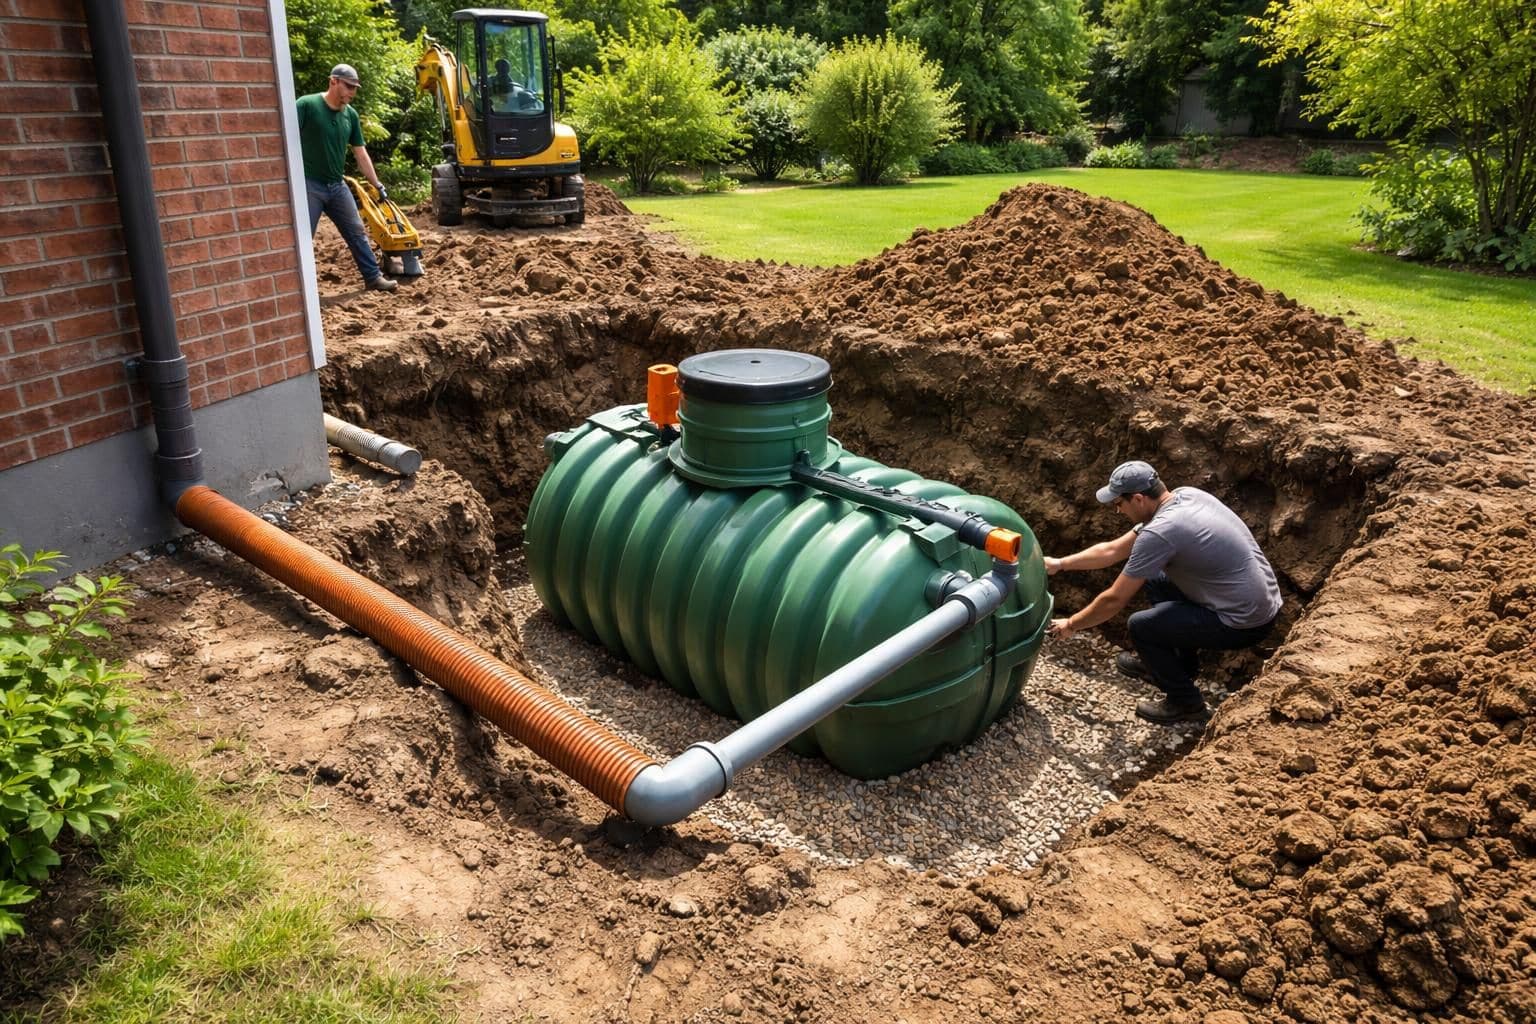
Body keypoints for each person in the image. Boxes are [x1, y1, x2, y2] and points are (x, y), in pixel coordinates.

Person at [1045, 461, 1282, 724]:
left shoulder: (1161, 532)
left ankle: (1186, 703)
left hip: (1245, 622)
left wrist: (1071, 624)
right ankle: (1181, 667)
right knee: (1156, 579)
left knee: (1141, 626)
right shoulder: (1187, 495)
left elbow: (1115, 599)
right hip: (1261, 600)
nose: (1117, 509)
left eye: (1119, 503)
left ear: (1138, 499)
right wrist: (1060, 564)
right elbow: (1112, 550)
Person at [295, 63, 397, 292]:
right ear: (333, 81)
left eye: (355, 88)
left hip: (336, 185)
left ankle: (373, 278)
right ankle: (299, 289)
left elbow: (360, 153)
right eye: (348, 86)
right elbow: (286, 137)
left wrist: (376, 183)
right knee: (303, 238)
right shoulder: (307, 105)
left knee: (357, 231)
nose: (352, 92)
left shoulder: (350, 115)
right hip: (309, 184)